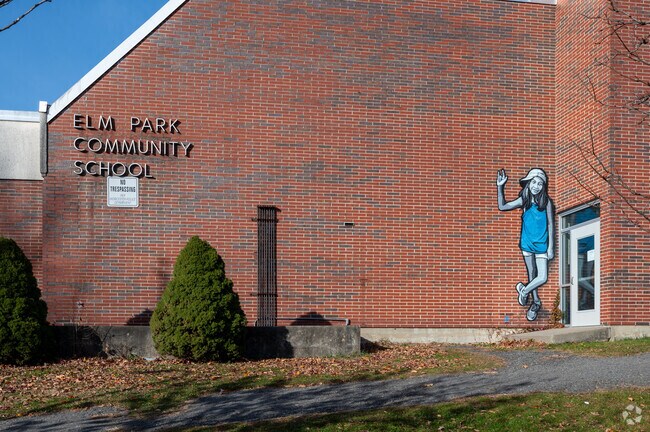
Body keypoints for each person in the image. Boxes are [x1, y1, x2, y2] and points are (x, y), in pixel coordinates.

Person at [496, 168, 554, 321]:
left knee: (542, 277)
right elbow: (503, 206)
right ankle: (535, 303)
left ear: (543, 186)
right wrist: (500, 186)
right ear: (528, 183)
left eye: (540, 184)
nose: (536, 186)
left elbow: (551, 224)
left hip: (542, 244)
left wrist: (551, 247)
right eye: (534, 182)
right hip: (527, 244)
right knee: (532, 274)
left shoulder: (546, 202)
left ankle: (524, 290)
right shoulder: (525, 200)